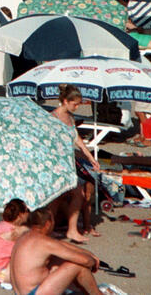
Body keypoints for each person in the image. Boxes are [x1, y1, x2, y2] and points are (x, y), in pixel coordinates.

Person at [9, 208, 100, 295]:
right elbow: (86, 261)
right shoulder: (43, 241)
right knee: (77, 264)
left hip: (21, 292)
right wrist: (93, 261)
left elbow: (59, 244)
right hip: (34, 293)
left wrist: (89, 254)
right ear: (48, 223)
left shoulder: (25, 236)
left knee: (59, 260)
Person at [51, 84, 100, 242]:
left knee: (71, 195)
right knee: (60, 197)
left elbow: (77, 139)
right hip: (57, 163)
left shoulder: (70, 117)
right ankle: (55, 229)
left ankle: (69, 230)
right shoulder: (54, 118)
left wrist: (91, 158)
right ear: (65, 101)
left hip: (67, 163)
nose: (77, 107)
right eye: (75, 104)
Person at [0, 198, 30, 284]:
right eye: (27, 210)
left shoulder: (1, 226)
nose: (29, 213)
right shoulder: (13, 231)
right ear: (20, 214)